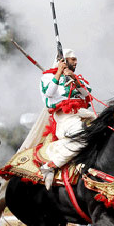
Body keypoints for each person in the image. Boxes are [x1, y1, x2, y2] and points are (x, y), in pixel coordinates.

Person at [39, 49, 95, 189]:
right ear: (63, 61)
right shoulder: (47, 77)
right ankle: (50, 166)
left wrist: (74, 79)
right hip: (65, 117)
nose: (76, 62)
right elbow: (49, 93)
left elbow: (86, 94)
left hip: (83, 114)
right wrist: (58, 72)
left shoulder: (76, 77)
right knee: (83, 137)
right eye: (73, 59)